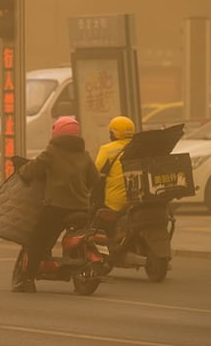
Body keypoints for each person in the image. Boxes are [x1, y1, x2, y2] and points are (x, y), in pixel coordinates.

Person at [12, 116, 99, 293]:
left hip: (57, 208)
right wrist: (83, 192)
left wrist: (22, 171)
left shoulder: (52, 152)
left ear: (56, 132)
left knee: (37, 240)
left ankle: (27, 279)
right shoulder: (85, 155)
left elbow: (32, 169)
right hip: (82, 208)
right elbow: (95, 179)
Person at [94, 115, 136, 213]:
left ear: (114, 133)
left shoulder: (106, 150)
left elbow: (95, 173)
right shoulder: (138, 146)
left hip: (115, 203)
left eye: (111, 132)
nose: (110, 135)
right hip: (137, 199)